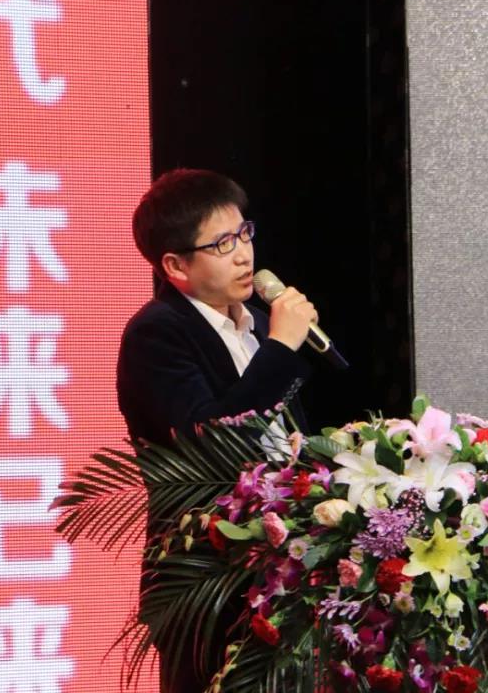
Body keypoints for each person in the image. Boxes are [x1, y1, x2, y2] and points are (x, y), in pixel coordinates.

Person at [116, 168, 317, 692]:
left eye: (244, 233)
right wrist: (281, 350)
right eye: (222, 244)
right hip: (208, 585)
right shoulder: (157, 334)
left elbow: (280, 434)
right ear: (176, 265)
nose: (244, 254)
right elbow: (211, 444)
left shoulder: (256, 325)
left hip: (283, 577)